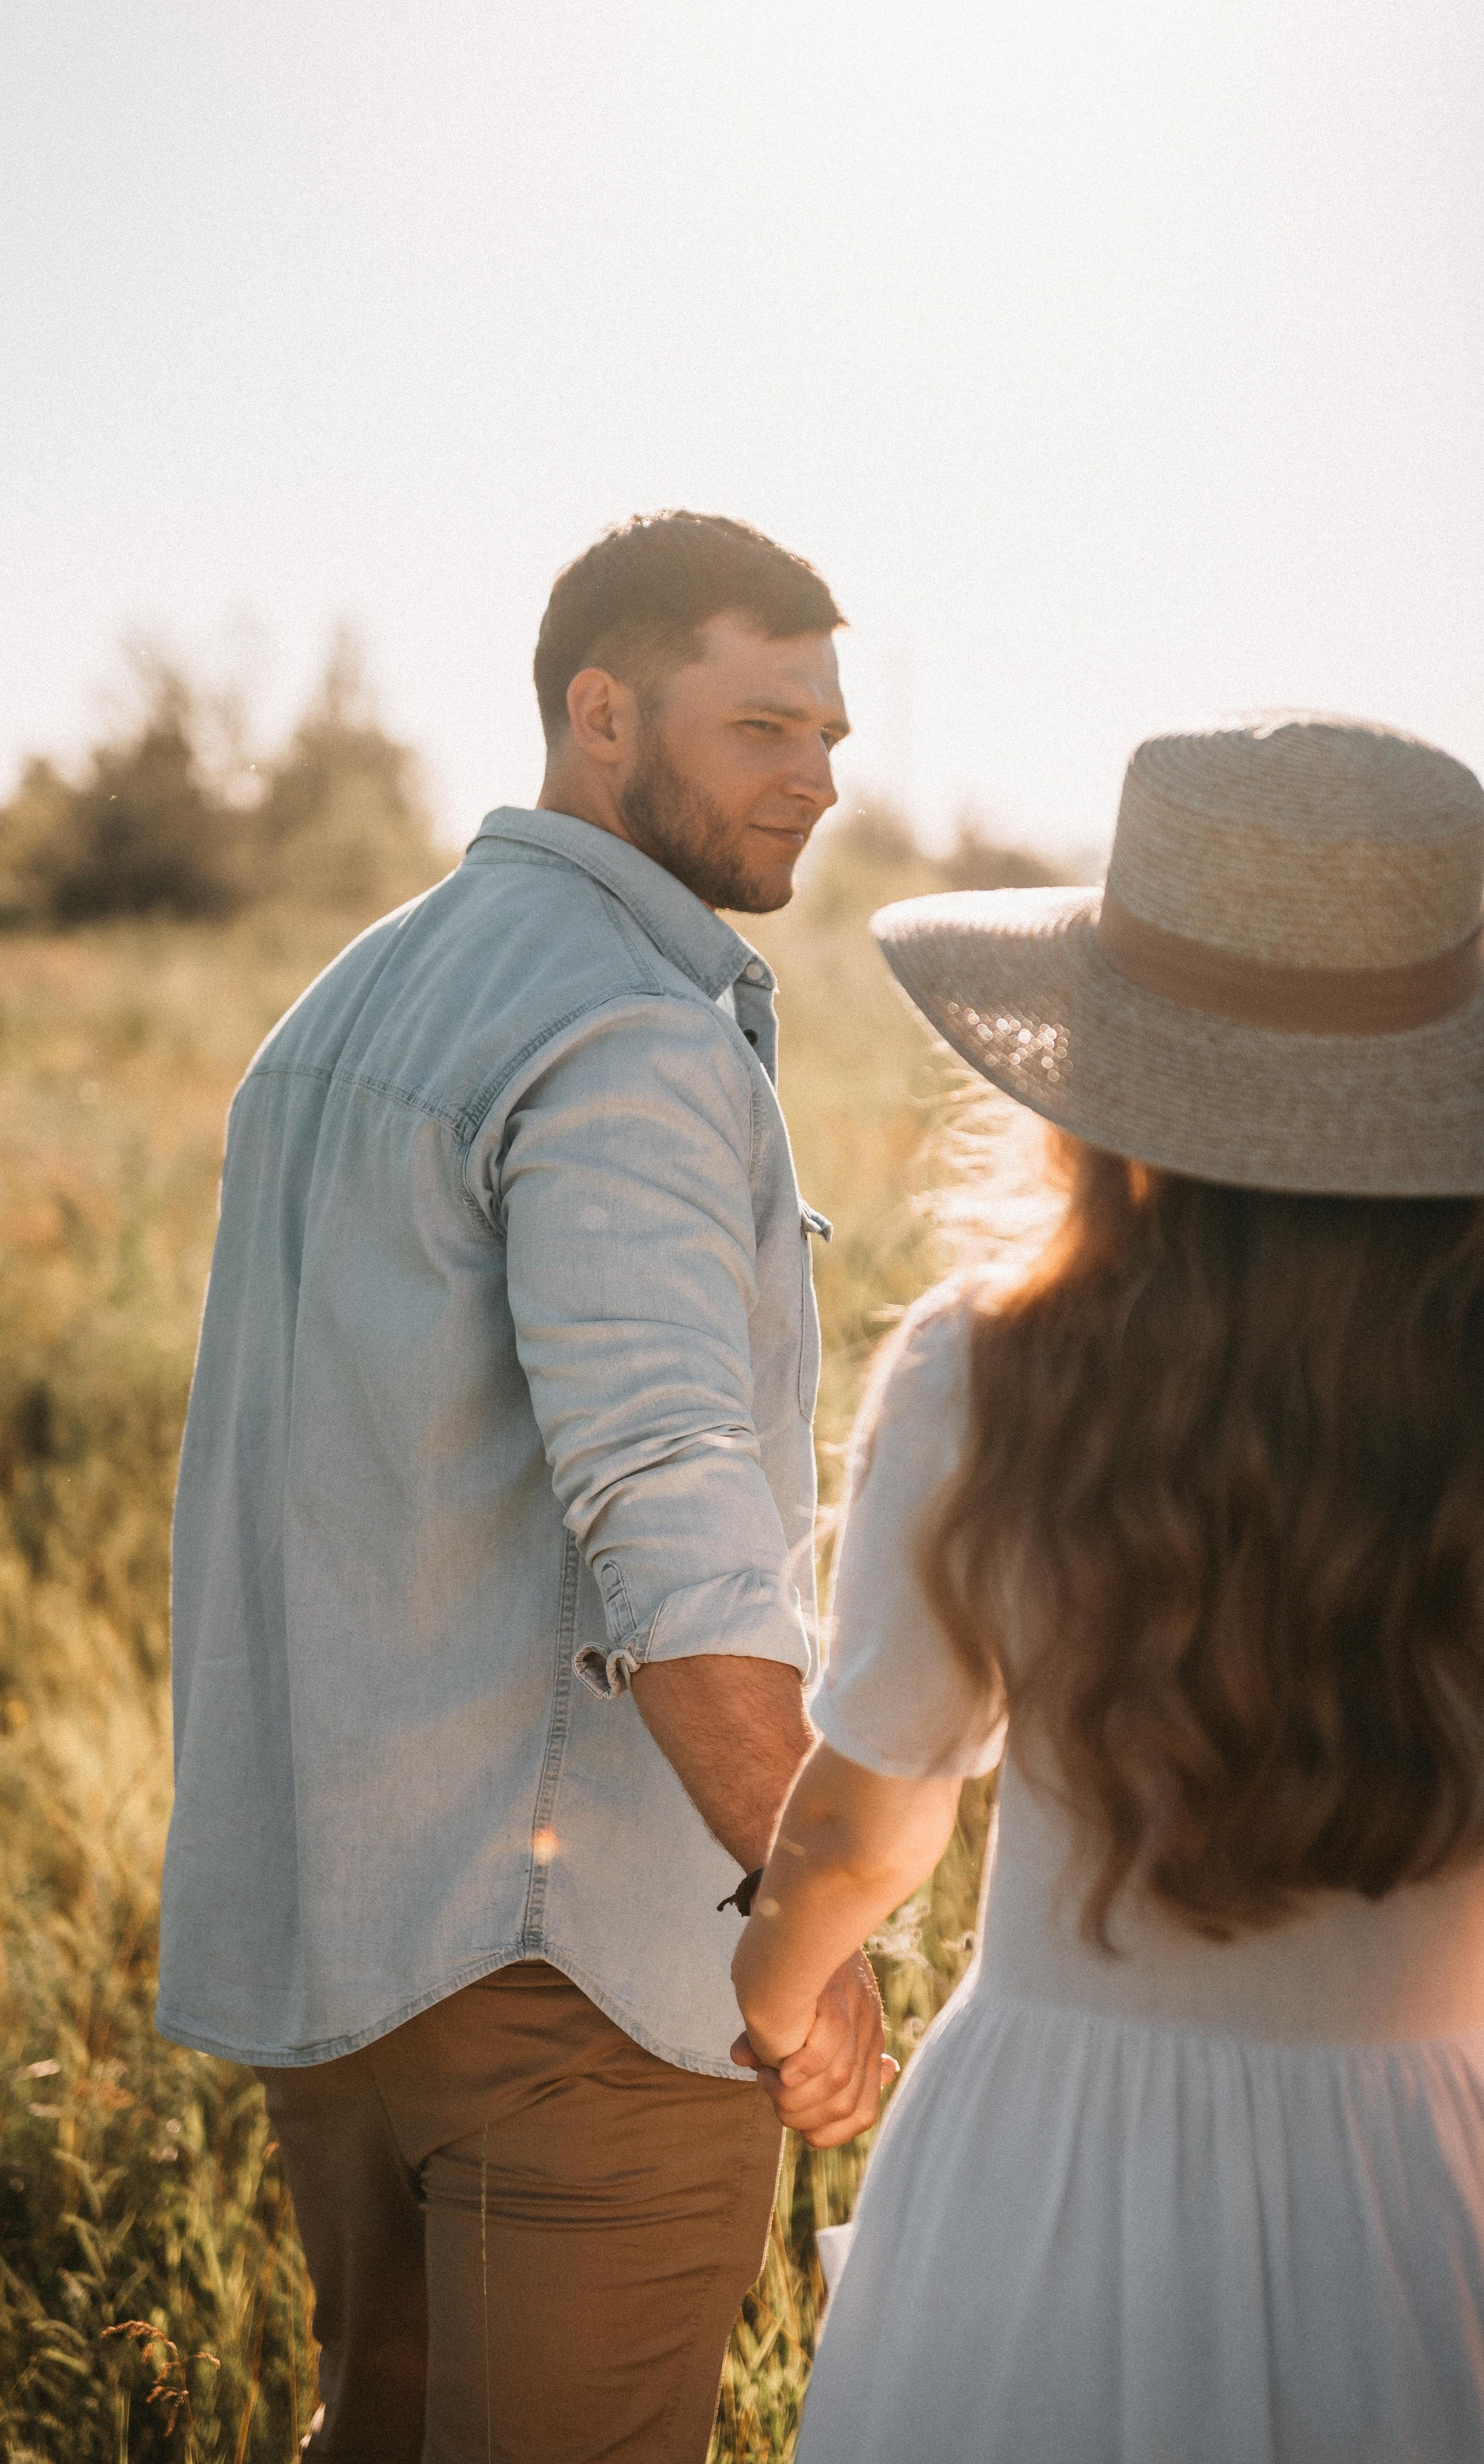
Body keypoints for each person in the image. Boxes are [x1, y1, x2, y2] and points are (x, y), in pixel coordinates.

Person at [156, 511, 892, 2463]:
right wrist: (812, 1926)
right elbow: (669, 1493)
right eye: (760, 725)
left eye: (830, 728)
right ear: (601, 716)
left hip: (352, 1946)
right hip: (578, 1992)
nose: (816, 774)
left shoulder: (346, 1008)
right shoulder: (634, 1029)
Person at [732, 714, 1484, 2461]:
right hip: (1427, 2170)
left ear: (1113, 1069)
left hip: (1055, 2162)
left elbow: (864, 1827)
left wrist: (772, 1989)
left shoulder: (987, 1373)